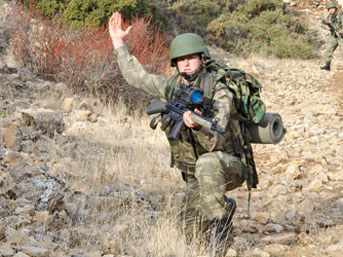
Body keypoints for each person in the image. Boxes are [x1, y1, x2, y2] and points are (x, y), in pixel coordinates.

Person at [109, 12, 247, 251]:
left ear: (202, 59)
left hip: (228, 165)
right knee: (191, 234)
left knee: (208, 163)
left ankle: (221, 225)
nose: (185, 63)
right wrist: (118, 43)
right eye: (180, 59)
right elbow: (137, 77)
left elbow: (215, 140)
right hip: (196, 176)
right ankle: (224, 205)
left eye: (191, 58)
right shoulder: (172, 86)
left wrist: (197, 125)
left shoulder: (220, 91)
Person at [320, 2, 343, 71]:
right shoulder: (328, 17)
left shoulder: (340, 15)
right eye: (329, 9)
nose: (331, 10)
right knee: (329, 49)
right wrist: (326, 27)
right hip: (334, 36)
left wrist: (340, 32)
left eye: (332, 9)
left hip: (341, 36)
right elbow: (322, 23)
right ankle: (327, 65)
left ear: (335, 9)